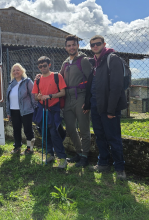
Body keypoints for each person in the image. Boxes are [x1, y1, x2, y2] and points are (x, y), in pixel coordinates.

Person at [83, 35, 127, 181]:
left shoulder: (112, 59)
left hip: (109, 108)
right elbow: (92, 86)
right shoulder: (95, 62)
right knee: (100, 136)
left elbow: (116, 86)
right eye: (92, 45)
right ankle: (103, 164)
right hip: (96, 105)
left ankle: (120, 168)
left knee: (113, 138)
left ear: (104, 44)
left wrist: (111, 109)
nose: (95, 46)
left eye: (98, 44)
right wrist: (88, 103)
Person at [59, 35, 93, 167]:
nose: (71, 47)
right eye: (69, 45)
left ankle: (85, 156)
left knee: (84, 128)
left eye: (73, 45)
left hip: (81, 96)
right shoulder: (65, 63)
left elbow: (91, 81)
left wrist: (88, 101)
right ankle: (79, 153)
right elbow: (59, 78)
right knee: (70, 128)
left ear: (78, 46)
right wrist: (43, 76)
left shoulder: (84, 60)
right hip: (68, 98)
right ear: (66, 47)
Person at [32, 56, 68, 169]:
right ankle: (49, 154)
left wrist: (50, 96)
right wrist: (38, 97)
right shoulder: (37, 80)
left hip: (53, 108)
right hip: (42, 109)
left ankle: (62, 158)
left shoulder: (57, 76)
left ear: (49, 65)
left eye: (45, 65)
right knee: (44, 132)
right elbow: (35, 97)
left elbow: (63, 92)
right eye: (40, 66)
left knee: (54, 132)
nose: (43, 68)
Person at [6, 63, 37, 154]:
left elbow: (33, 95)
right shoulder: (11, 84)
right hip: (14, 111)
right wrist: (8, 112)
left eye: (18, 70)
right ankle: (17, 147)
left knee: (27, 130)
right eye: (14, 70)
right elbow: (8, 99)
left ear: (22, 71)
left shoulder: (27, 81)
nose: (16, 72)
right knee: (16, 130)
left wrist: (35, 108)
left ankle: (29, 149)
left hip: (26, 110)